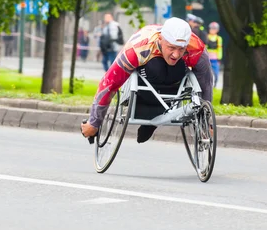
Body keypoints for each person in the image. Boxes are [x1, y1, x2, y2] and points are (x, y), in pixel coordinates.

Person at [81, 17, 214, 144]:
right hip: (146, 77)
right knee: (157, 67)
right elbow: (109, 83)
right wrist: (94, 123)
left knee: (178, 67)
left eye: (181, 49)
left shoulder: (196, 49)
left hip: (174, 80)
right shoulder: (136, 49)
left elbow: (205, 84)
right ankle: (149, 114)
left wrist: (205, 122)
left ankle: (155, 119)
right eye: (171, 48)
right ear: (161, 39)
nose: (176, 54)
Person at [206, 22, 223, 87]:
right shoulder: (206, 37)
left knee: (216, 72)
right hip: (207, 57)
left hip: (215, 58)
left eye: (214, 29)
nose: (213, 30)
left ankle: (215, 84)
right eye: (212, 28)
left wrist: (219, 58)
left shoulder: (218, 38)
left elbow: (219, 49)